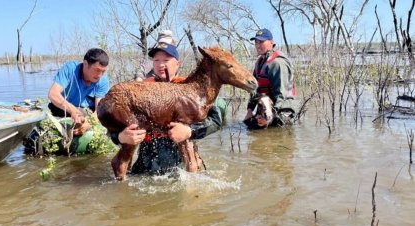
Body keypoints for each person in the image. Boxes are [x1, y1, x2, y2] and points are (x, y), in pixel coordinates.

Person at [111, 42, 225, 175]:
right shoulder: (141, 89)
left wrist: (189, 131)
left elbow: (216, 121)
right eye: (156, 60)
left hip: (182, 158)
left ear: (177, 63)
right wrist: (120, 137)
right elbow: (114, 123)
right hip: (148, 157)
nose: (161, 64)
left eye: (166, 60)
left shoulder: (192, 87)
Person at [48, 48, 110, 136]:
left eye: (103, 71)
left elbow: (99, 110)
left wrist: (89, 124)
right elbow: (53, 94)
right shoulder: (70, 69)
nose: (100, 75)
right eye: (97, 70)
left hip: (86, 111)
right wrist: (73, 111)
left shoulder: (103, 80)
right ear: (85, 64)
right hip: (62, 107)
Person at [243, 28, 295, 129]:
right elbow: (255, 90)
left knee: (275, 136)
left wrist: (270, 116)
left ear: (271, 42)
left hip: (281, 110)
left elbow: (281, 95)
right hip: (266, 107)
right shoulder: (259, 62)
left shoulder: (277, 63)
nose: (258, 45)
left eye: (261, 42)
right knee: (248, 126)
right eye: (256, 42)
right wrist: (249, 110)